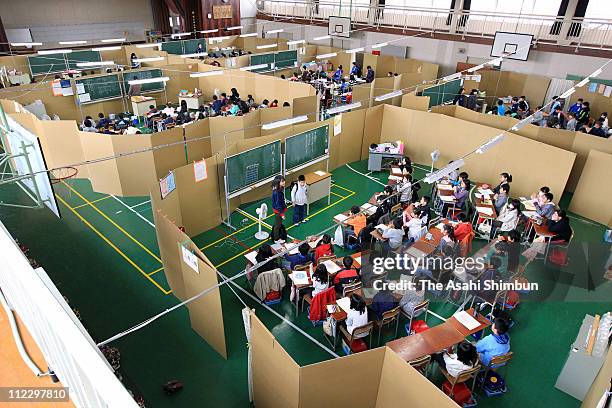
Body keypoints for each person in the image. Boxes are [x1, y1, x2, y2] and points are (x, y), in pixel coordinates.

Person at [271, 176, 287, 243]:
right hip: (278, 212)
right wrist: (282, 214)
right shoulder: (277, 192)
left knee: (278, 224)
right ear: (278, 182)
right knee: (277, 226)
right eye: (282, 181)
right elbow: (278, 205)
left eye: (284, 181)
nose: (284, 182)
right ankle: (276, 239)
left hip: (279, 211)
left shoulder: (279, 189)